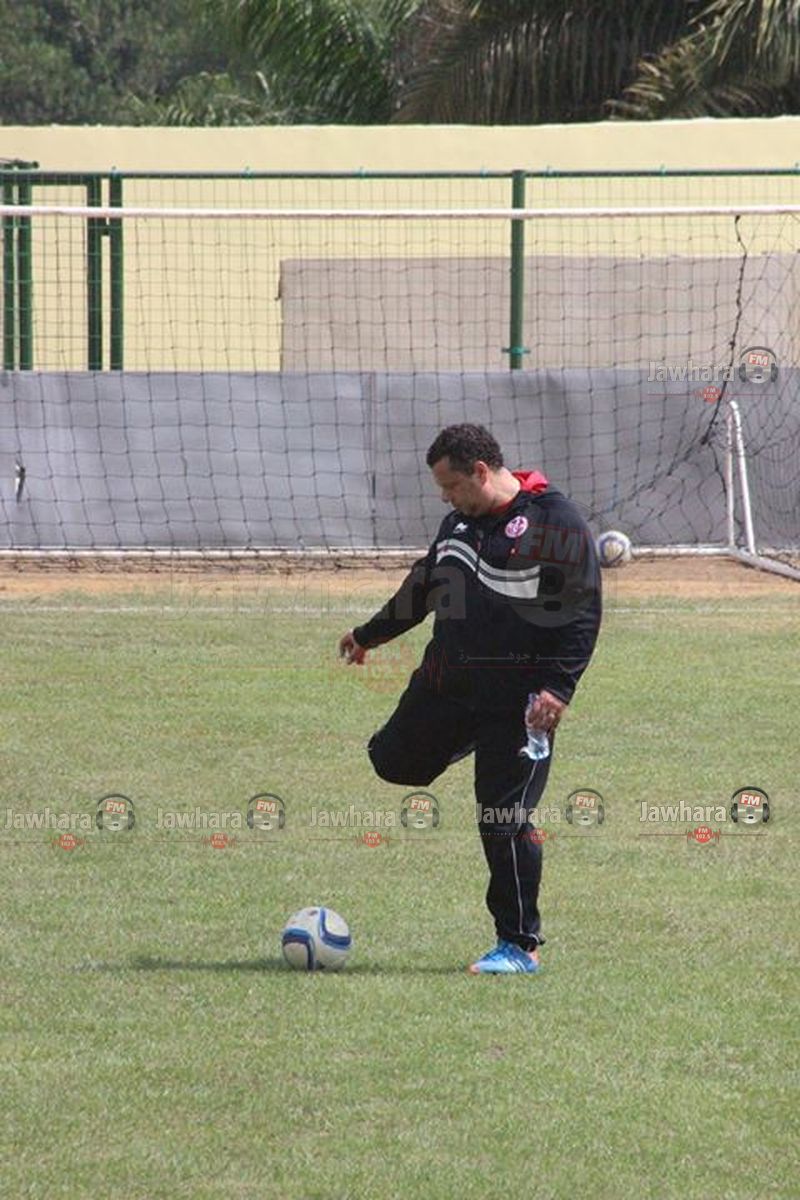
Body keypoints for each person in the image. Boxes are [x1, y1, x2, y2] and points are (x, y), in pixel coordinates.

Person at [339, 424, 602, 974]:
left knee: (503, 817)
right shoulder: (458, 524)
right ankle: (479, 744)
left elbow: (582, 612)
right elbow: (423, 587)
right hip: (448, 688)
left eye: (451, 485)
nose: (445, 497)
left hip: (520, 704)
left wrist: (558, 688)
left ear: (480, 472)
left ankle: (519, 945)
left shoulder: (555, 521)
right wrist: (369, 635)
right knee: (391, 761)